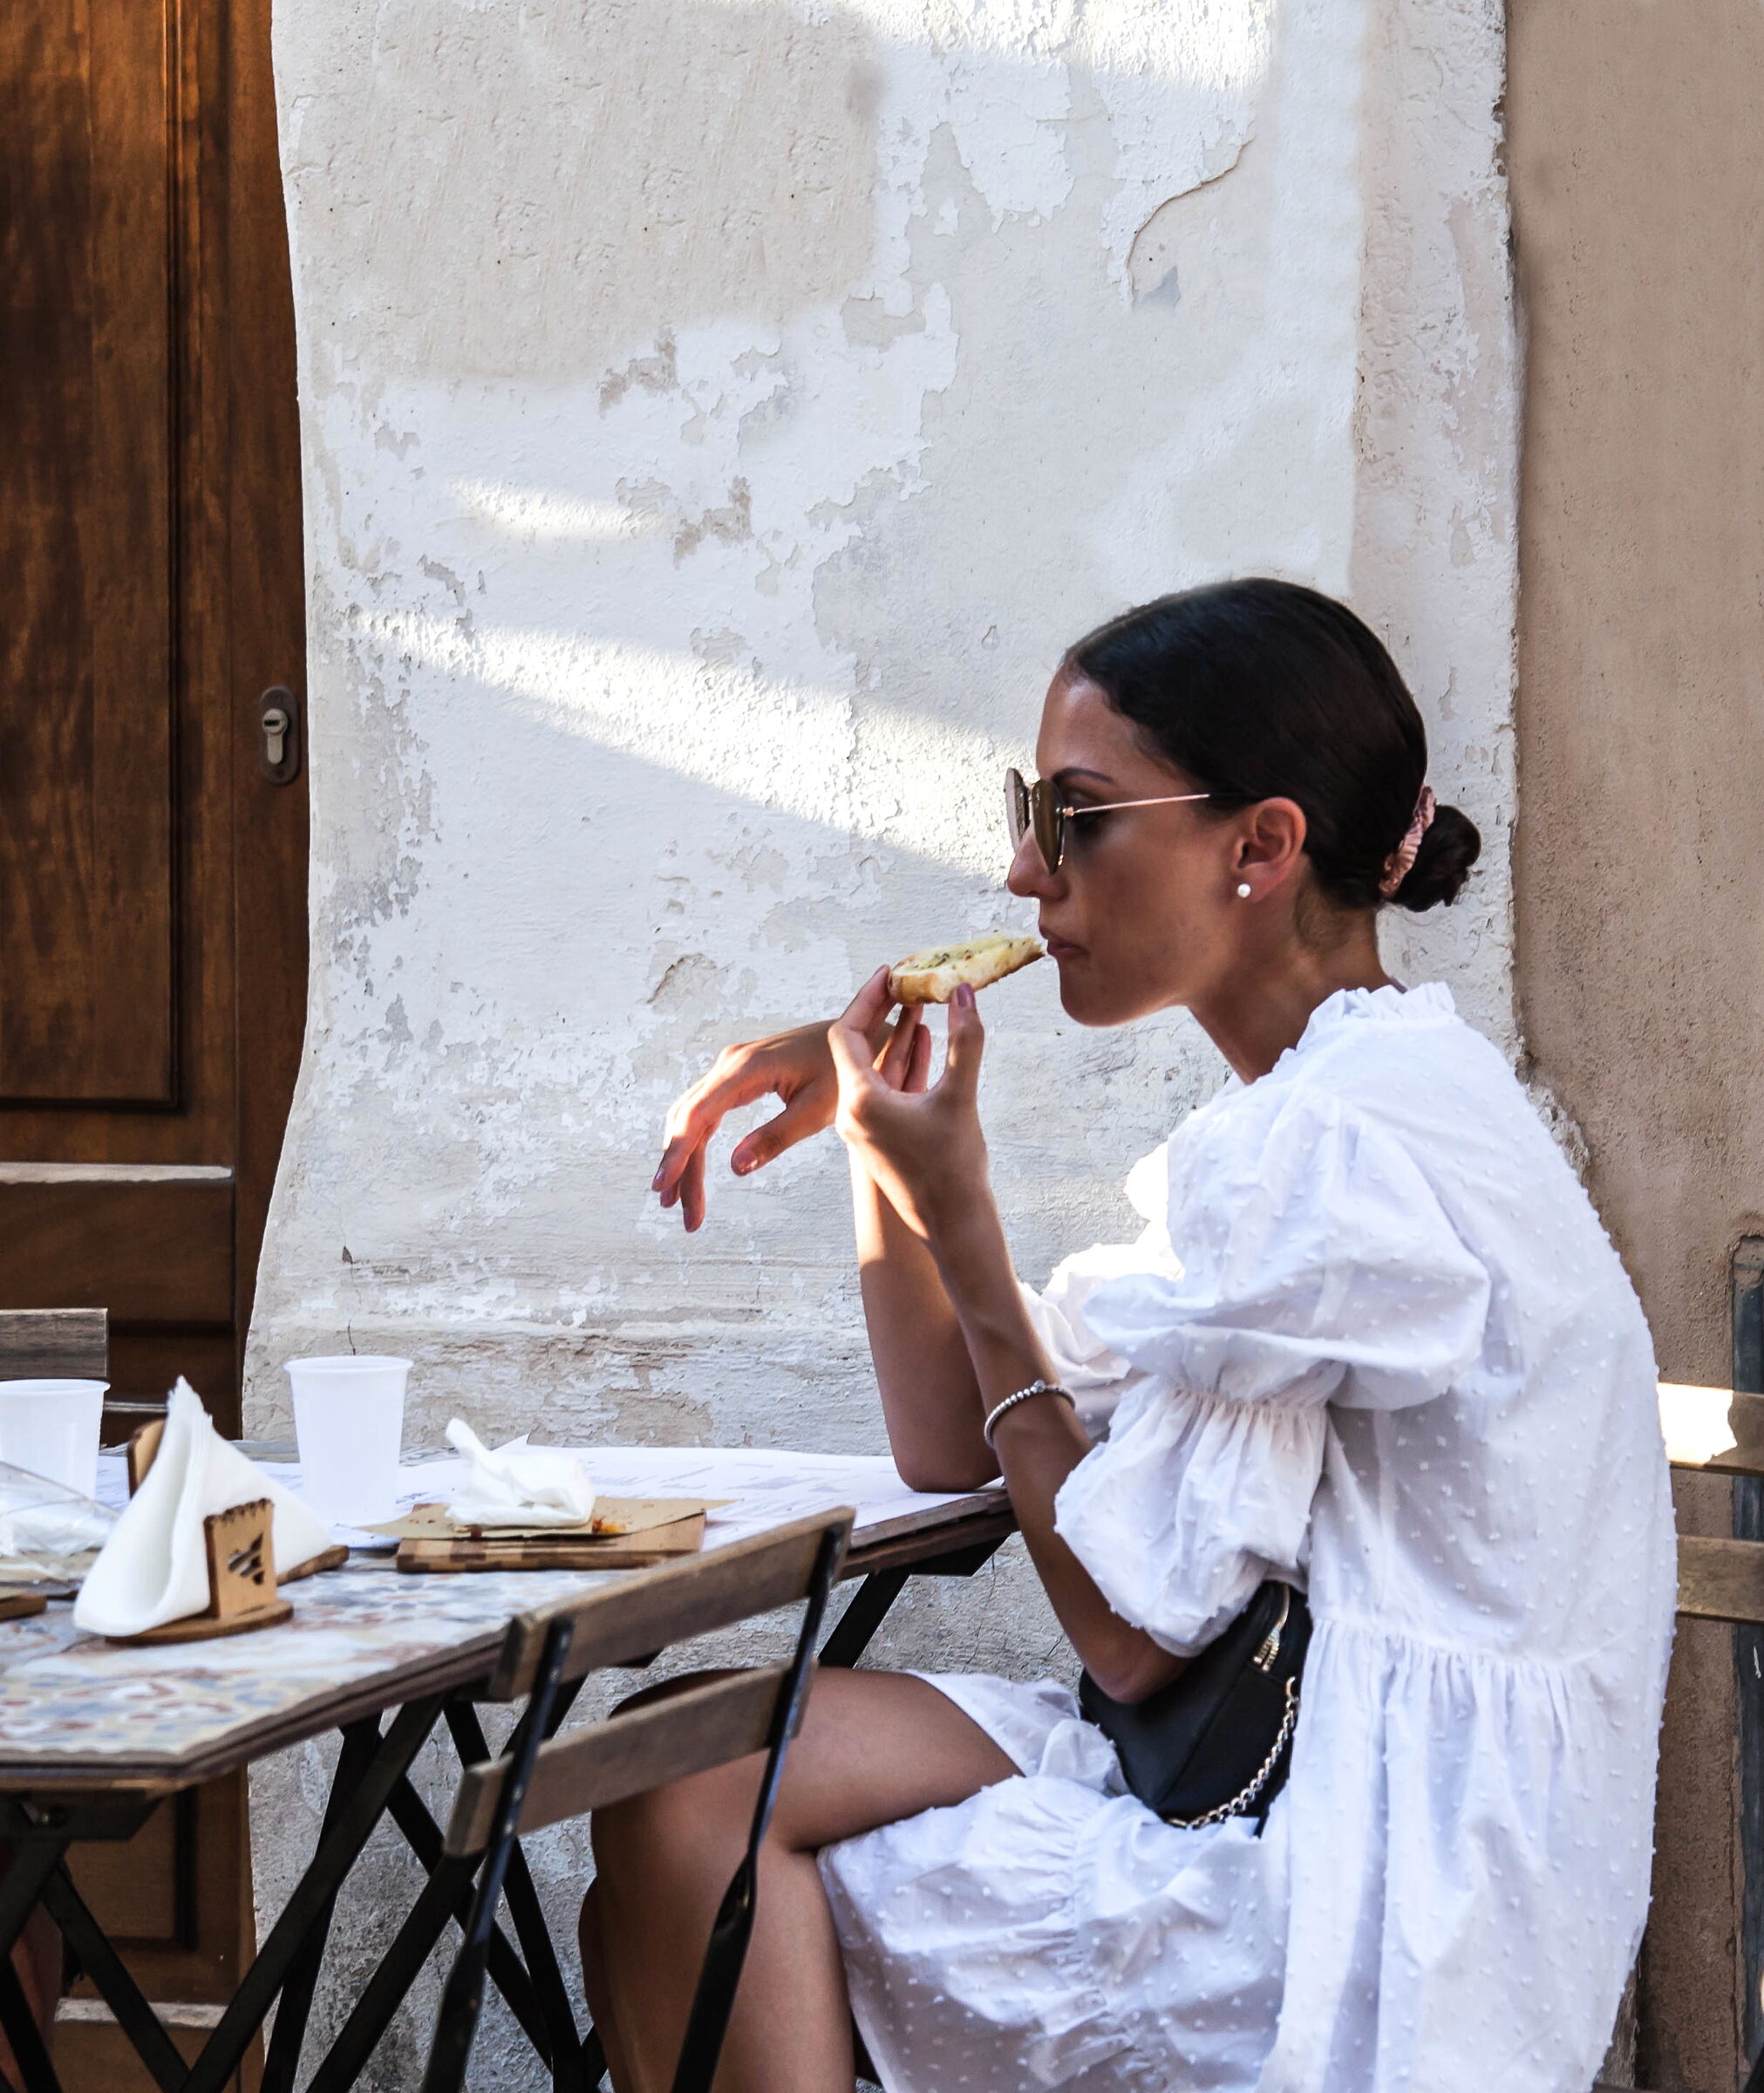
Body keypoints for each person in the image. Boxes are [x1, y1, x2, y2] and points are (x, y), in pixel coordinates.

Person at [582, 579, 1675, 2093]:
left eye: (1079, 815)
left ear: (1262, 845)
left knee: (704, 1859)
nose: (1026, 871)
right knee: (669, 1767)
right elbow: (952, 1443)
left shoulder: (1336, 1152)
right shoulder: (1342, 1100)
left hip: (1357, 1905)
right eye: (1030, 808)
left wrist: (964, 1218)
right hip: (1283, 1759)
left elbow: (1129, 1636)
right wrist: (882, 1152)